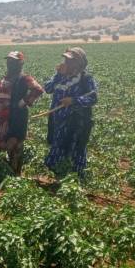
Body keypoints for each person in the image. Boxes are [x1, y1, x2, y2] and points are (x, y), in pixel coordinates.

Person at [44, 47, 98, 181]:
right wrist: (57, 75)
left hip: (76, 122)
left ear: (78, 63)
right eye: (66, 59)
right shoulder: (60, 76)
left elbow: (93, 98)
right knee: (58, 146)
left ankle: (77, 180)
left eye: (70, 61)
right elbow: (48, 89)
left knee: (76, 149)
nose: (66, 63)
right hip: (58, 121)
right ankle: (56, 176)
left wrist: (73, 100)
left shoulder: (86, 79)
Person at [0, 51, 44, 176]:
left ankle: (15, 178)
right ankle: (3, 176)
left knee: (14, 148)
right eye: (9, 61)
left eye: (14, 62)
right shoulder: (4, 79)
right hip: (1, 120)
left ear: (20, 63)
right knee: (1, 149)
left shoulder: (25, 78)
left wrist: (23, 102)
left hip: (16, 119)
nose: (10, 64)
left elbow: (38, 89)